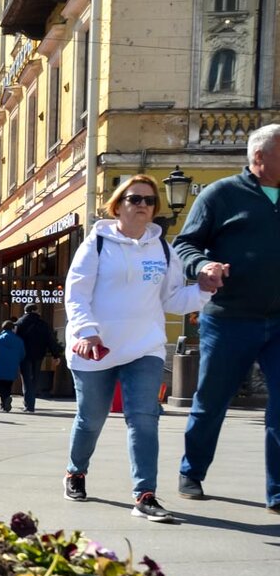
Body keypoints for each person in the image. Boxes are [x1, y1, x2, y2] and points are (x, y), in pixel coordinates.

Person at [63, 174, 215, 522]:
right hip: (95, 348)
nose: (143, 205)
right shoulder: (96, 244)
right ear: (118, 205)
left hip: (145, 347)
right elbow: (76, 294)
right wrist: (86, 332)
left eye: (149, 201)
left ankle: (145, 494)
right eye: (135, 199)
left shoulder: (163, 249)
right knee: (91, 420)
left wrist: (205, 289)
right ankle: (75, 471)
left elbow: (174, 299)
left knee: (144, 420)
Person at [174, 124, 279, 514]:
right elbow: (185, 243)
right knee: (211, 401)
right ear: (259, 158)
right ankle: (192, 471)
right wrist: (203, 265)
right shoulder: (222, 194)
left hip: (279, 320)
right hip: (230, 317)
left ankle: (279, 491)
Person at [14, 304, 61, 412]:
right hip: (38, 355)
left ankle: (28, 405)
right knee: (34, 379)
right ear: (35, 311)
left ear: (25, 311)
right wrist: (56, 355)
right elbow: (51, 340)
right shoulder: (43, 324)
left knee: (26, 379)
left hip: (24, 355)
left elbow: (15, 340)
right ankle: (31, 403)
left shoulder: (19, 323)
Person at [0, 320, 26, 412]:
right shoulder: (19, 340)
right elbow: (22, 354)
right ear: (13, 328)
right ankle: (4, 403)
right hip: (12, 367)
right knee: (8, 385)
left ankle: (5, 399)